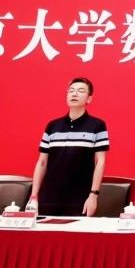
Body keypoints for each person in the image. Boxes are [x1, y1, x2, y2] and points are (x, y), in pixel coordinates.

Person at [29, 77, 108, 216]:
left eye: (80, 91)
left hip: (80, 197)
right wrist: (34, 197)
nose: (74, 94)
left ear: (89, 99)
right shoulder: (53, 126)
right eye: (71, 91)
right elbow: (42, 163)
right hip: (49, 196)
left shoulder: (97, 126)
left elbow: (100, 162)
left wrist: (93, 195)